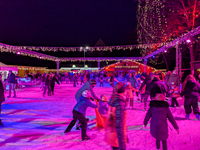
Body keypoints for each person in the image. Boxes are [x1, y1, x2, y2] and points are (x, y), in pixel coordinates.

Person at [144, 81, 179, 150]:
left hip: (155, 126)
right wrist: (176, 127)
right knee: (164, 140)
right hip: (163, 127)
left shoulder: (152, 108)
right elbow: (171, 118)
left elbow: (147, 116)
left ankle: (158, 148)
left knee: (157, 137)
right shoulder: (166, 108)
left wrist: (145, 123)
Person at [105, 82, 127, 150]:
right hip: (116, 134)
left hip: (111, 131)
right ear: (123, 91)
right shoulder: (119, 102)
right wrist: (122, 141)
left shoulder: (114, 99)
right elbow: (119, 122)